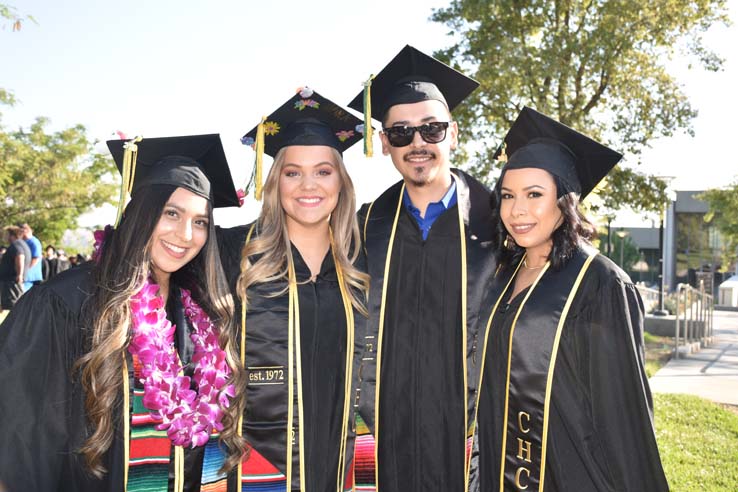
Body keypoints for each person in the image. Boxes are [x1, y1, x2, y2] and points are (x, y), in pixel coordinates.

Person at [0, 134, 247, 491]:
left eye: (200, 222)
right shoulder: (67, 302)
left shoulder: (198, 316)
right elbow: (17, 434)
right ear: (142, 212)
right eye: (171, 213)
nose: (185, 234)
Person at [474, 107, 669, 491]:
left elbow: (623, 415)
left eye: (535, 194)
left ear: (565, 201)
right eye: (508, 195)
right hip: (502, 472)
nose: (518, 210)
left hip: (575, 475)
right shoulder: (503, 277)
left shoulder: (601, 284)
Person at [346, 45, 497, 492]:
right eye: (401, 132)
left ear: (453, 133)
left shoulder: (501, 225)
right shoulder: (363, 228)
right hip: (385, 438)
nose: (417, 143)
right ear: (383, 142)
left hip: (472, 438)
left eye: (431, 129)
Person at [217, 88, 370, 492]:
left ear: (341, 181)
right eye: (292, 172)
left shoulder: (365, 260)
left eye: (323, 171)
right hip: (257, 462)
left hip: (344, 455)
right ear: (275, 181)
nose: (308, 185)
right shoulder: (233, 252)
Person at [0, 225, 31, 313]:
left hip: (12, 281)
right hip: (12, 281)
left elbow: (20, 256)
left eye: (6, 234)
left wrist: (19, 274)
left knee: (14, 306)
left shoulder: (16, 245)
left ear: (12, 235)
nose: (4, 236)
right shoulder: (21, 244)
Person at [20, 223, 43, 289]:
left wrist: (25, 270)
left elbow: (36, 258)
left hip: (30, 276)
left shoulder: (34, 242)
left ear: (25, 231)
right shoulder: (25, 241)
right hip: (27, 275)